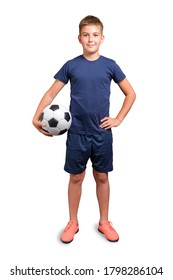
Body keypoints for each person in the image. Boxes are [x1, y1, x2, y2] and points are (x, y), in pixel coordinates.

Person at [32, 15, 136, 244]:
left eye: (95, 35)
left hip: (101, 134)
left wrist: (118, 118)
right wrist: (36, 116)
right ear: (79, 38)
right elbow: (51, 94)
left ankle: (104, 222)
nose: (91, 39)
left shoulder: (110, 65)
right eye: (86, 35)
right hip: (76, 134)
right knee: (76, 177)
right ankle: (73, 222)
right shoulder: (71, 65)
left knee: (102, 176)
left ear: (102, 38)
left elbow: (131, 93)